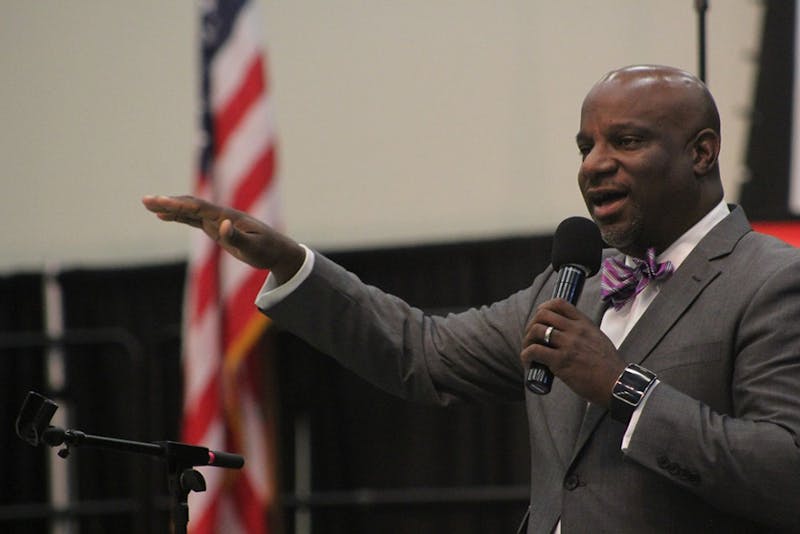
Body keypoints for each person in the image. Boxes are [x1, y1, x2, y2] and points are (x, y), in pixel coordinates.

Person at [143, 65, 800, 532]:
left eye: (624, 141)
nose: (594, 163)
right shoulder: (575, 285)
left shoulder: (771, 281)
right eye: (585, 145)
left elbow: (784, 473)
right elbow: (420, 352)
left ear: (702, 153)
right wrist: (291, 264)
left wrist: (621, 386)